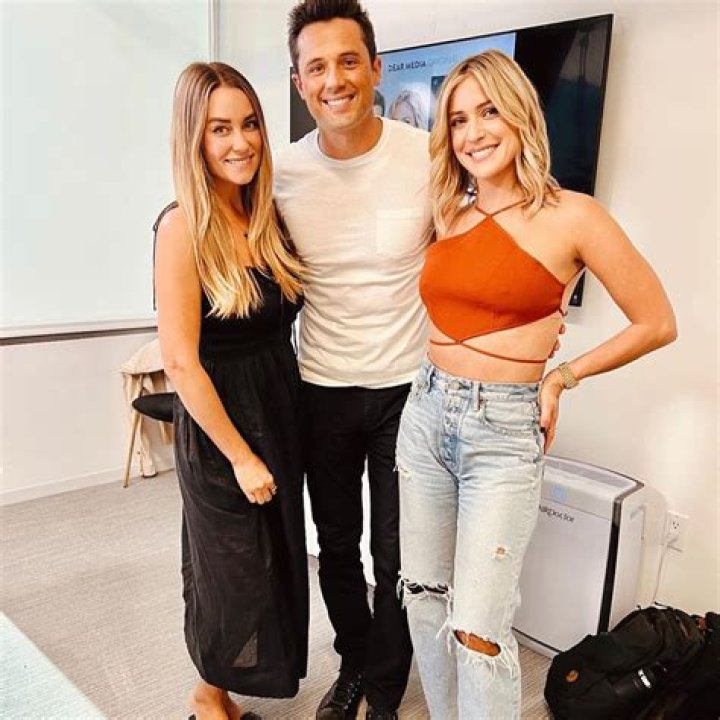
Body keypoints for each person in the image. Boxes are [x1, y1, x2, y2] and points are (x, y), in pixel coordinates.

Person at [396, 49, 677, 719]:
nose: (473, 133)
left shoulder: (573, 216)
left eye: (489, 111)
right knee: (423, 596)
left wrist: (562, 377)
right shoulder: (447, 211)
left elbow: (657, 321)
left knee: (480, 630)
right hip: (425, 413)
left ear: (521, 114)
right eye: (458, 119)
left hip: (502, 431)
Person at [274, 1, 432, 718]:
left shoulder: (426, 155)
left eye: (347, 61)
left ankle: (387, 690)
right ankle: (355, 665)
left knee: (398, 557)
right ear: (299, 82)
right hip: (322, 387)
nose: (333, 80)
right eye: (316, 67)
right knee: (336, 546)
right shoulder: (281, 172)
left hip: (409, 389)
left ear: (375, 68)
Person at [155, 62, 308, 720]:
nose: (240, 142)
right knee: (232, 572)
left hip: (278, 410)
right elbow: (180, 362)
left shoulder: (264, 214)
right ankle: (207, 697)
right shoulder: (181, 227)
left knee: (274, 566)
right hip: (223, 431)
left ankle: (223, 694)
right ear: (194, 137)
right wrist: (241, 457)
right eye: (220, 128)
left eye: (249, 124)